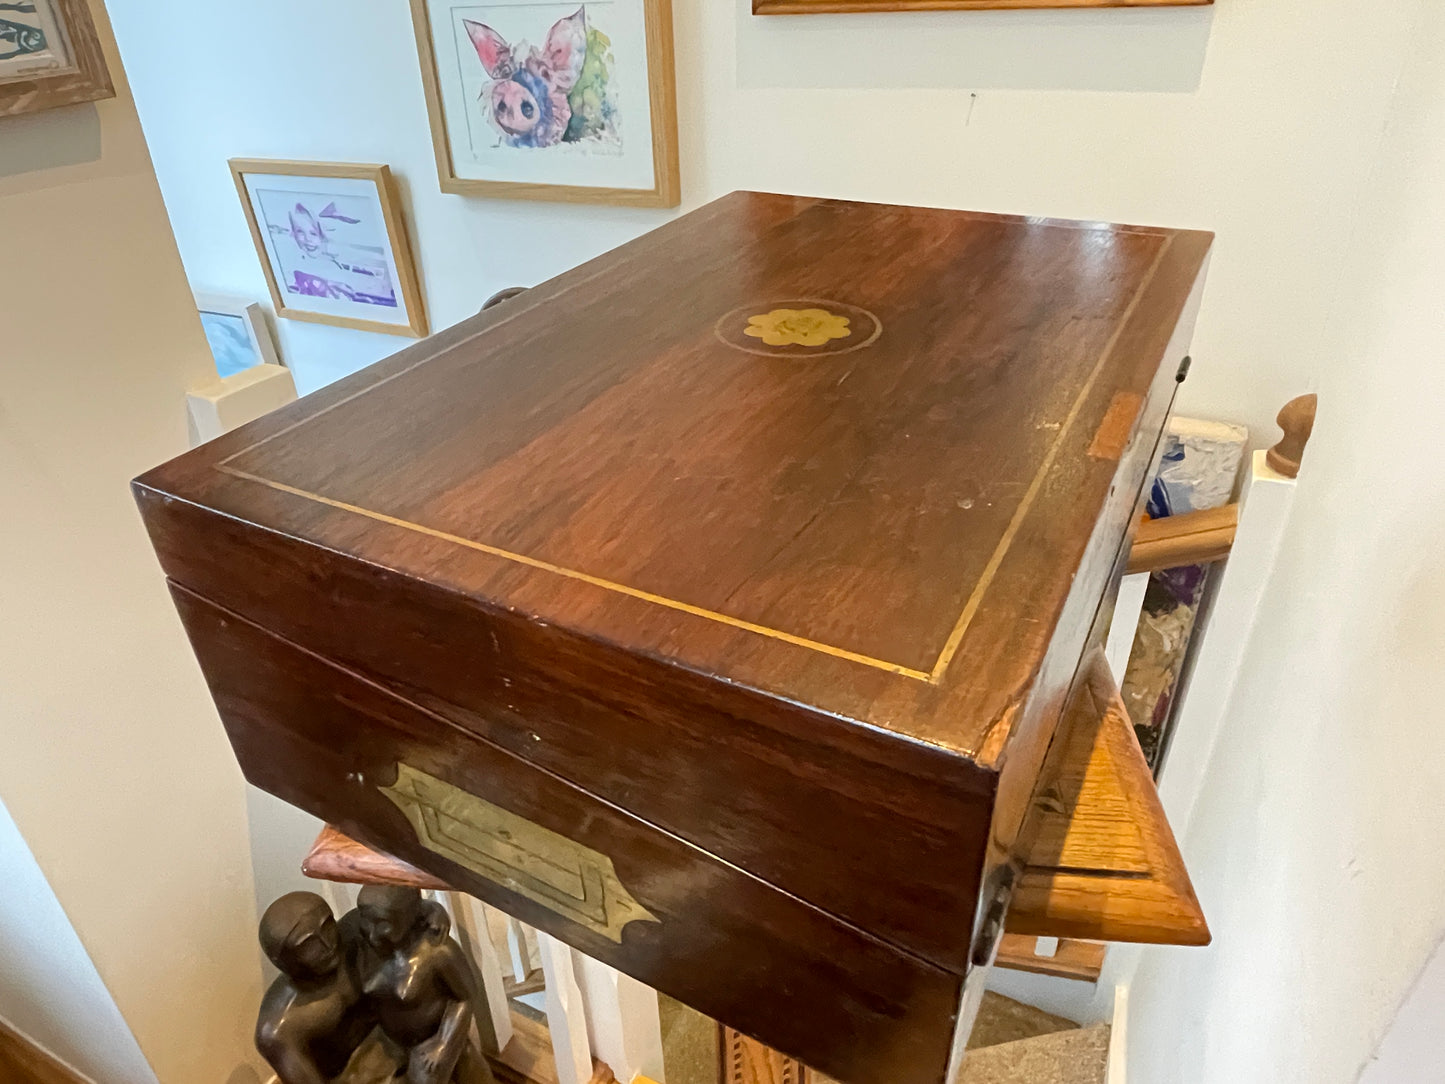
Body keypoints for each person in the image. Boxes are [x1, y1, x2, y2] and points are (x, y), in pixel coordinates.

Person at [354, 885, 493, 1084]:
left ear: (407, 918)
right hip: (390, 1040)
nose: (372, 933)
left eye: (383, 924)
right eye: (367, 921)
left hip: (430, 1040)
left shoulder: (437, 950)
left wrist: (443, 1043)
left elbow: (466, 997)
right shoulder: (369, 945)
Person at [255, 892, 375, 1084]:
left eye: (327, 926)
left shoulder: (358, 930)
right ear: (285, 962)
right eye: (308, 945)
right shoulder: (280, 1028)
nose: (327, 945)